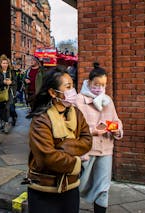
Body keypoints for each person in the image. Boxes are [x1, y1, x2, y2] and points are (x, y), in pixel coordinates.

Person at [25, 67, 92, 213]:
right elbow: (46, 157)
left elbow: (87, 141)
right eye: (68, 87)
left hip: (71, 187)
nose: (72, 91)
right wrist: (76, 163)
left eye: (73, 86)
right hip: (44, 189)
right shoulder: (41, 120)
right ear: (53, 92)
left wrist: (63, 145)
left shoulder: (77, 114)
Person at [76, 63, 123, 213]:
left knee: (103, 188)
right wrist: (93, 131)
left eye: (103, 85)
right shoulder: (79, 100)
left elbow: (116, 121)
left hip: (106, 150)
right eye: (96, 84)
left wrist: (116, 130)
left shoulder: (107, 100)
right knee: (79, 185)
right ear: (89, 82)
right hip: (87, 151)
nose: (100, 88)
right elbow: (73, 128)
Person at [0, 54, 17, 133]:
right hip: (1, 93)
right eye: (3, 63)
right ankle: (3, 123)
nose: (5, 64)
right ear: (0, 64)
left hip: (9, 92)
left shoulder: (12, 72)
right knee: (2, 109)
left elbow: (15, 82)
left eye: (6, 63)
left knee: (7, 108)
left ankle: (6, 124)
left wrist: (11, 82)